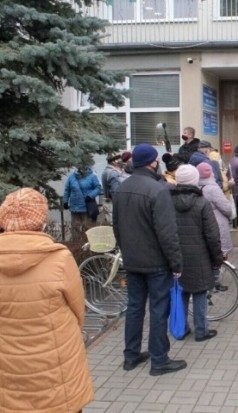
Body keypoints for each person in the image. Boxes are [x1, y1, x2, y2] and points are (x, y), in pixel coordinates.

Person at [0, 188, 94, 412]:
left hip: (9, 360)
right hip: (57, 359)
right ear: (40, 218)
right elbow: (78, 309)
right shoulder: (59, 258)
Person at [112, 143, 186, 376]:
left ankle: (131, 356)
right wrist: (176, 263)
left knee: (134, 308)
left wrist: (126, 251)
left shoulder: (122, 188)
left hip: (132, 260)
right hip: (156, 263)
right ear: (153, 162)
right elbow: (167, 232)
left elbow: (116, 227)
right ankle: (159, 360)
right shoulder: (158, 190)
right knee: (158, 310)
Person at [170, 165, 224, 342]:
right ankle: (201, 331)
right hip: (199, 255)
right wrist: (217, 258)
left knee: (182, 291)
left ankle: (182, 328)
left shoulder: (167, 201)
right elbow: (212, 234)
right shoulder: (201, 203)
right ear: (195, 180)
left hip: (176, 254)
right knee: (200, 292)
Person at [197, 161, 233, 290]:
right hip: (216, 223)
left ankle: (211, 282)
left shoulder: (197, 187)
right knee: (218, 252)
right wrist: (230, 213)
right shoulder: (213, 188)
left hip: (202, 223)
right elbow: (226, 208)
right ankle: (214, 282)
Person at [63, 164, 102, 238]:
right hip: (74, 208)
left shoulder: (92, 176)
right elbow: (67, 190)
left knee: (87, 229)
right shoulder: (71, 177)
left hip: (86, 207)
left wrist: (90, 196)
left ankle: (87, 245)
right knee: (75, 228)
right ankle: (76, 244)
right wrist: (65, 201)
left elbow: (98, 188)